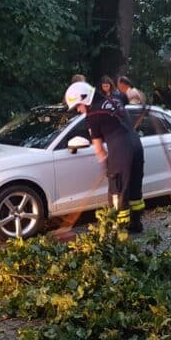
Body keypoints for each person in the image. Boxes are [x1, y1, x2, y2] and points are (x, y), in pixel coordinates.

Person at [64, 82, 145, 232]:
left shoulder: (93, 115)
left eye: (78, 106)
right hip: (137, 146)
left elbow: (99, 149)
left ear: (85, 98)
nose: (79, 110)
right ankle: (136, 224)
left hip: (121, 149)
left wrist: (107, 165)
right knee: (134, 188)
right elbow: (134, 94)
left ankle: (118, 231)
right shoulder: (114, 100)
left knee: (117, 191)